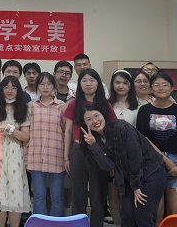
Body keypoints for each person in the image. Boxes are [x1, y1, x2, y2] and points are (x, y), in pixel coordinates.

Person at [81, 104, 166, 227]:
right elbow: (109, 166)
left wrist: (136, 186)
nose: (94, 121)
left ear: (103, 115)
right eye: (89, 119)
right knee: (127, 218)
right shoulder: (95, 139)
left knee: (143, 217)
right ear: (84, 123)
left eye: (96, 115)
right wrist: (94, 146)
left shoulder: (121, 127)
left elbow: (135, 157)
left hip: (150, 173)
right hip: (130, 179)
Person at [63, 68, 116, 227]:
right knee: (78, 194)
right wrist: (66, 157)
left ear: (98, 83)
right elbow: (68, 131)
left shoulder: (105, 105)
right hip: (78, 150)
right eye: (84, 80)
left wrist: (111, 157)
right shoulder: (73, 104)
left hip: (99, 151)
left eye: (92, 80)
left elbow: (112, 131)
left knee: (98, 195)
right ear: (79, 84)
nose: (88, 84)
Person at [136, 71, 177, 221]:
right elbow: (144, 139)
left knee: (174, 213)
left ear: (172, 88)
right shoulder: (144, 111)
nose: (161, 88)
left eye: (165, 85)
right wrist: (165, 160)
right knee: (156, 212)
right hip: (153, 163)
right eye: (156, 85)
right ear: (151, 88)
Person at [0, 76, 30, 227]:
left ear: (18, 90)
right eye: (6, 87)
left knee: (16, 193)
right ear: (1, 90)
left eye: (14, 87)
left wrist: (12, 130)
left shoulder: (24, 109)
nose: (10, 91)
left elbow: (26, 137)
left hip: (16, 156)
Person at [25, 72, 66, 216]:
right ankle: (39, 223)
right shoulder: (31, 106)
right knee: (38, 196)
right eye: (42, 84)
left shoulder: (61, 107)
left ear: (54, 86)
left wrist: (66, 157)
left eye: (49, 84)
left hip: (56, 156)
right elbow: (27, 133)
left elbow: (65, 131)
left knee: (57, 197)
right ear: (37, 87)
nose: (45, 87)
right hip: (35, 156)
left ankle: (56, 224)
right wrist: (26, 157)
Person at [107, 69, 140, 224]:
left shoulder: (138, 106)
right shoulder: (107, 104)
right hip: (110, 156)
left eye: (125, 83)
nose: (121, 86)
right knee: (113, 198)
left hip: (130, 158)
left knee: (128, 199)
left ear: (130, 85)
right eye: (117, 82)